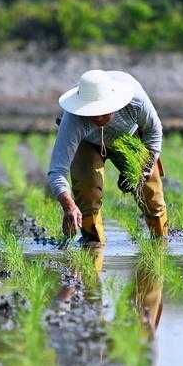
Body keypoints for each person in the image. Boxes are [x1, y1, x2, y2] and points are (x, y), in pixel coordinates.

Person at [48, 69, 168, 243]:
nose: (98, 117)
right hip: (88, 143)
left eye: (103, 111)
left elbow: (154, 132)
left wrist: (147, 167)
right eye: (92, 112)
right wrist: (69, 206)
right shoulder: (74, 119)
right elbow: (56, 171)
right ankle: (93, 246)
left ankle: (161, 241)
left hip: (128, 137)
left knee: (151, 193)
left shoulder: (135, 101)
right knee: (87, 193)